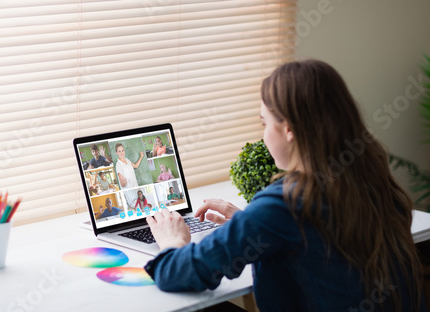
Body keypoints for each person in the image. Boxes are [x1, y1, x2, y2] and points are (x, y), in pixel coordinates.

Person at [144, 60, 425, 312]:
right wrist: (248, 223)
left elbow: (178, 273)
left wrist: (172, 241)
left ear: (289, 129)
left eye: (265, 123)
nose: (263, 134)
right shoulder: (373, 180)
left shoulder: (285, 203)